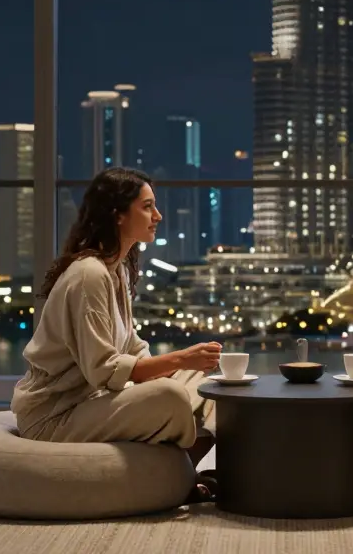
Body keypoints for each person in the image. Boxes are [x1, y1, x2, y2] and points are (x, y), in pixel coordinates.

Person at [11, 167, 223, 502]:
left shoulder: (117, 270)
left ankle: (180, 475)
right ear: (118, 215)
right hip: (55, 415)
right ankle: (178, 481)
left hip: (91, 401)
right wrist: (180, 359)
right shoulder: (89, 275)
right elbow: (105, 370)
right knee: (170, 396)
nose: (158, 215)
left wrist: (187, 365)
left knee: (206, 385)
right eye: (147, 206)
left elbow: (134, 349)